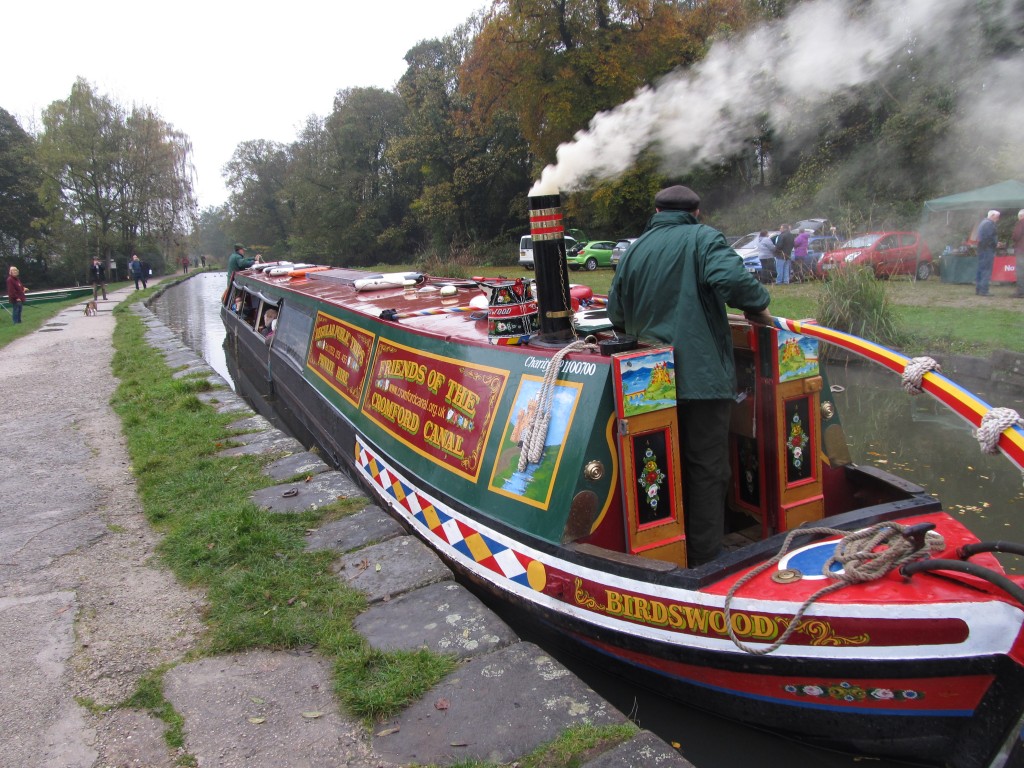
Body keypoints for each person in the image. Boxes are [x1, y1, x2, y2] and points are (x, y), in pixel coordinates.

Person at [607, 184, 772, 566]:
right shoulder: (703, 238)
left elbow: (616, 315)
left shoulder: (634, 249)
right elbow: (731, 281)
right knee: (706, 469)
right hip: (700, 380)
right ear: (697, 212)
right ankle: (705, 560)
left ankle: (663, 554)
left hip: (645, 384)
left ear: (656, 211)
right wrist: (758, 306)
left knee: (659, 467)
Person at [975, 210, 1000, 296]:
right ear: (992, 215)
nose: (998, 219)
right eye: (997, 217)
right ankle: (984, 290)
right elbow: (989, 237)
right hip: (987, 249)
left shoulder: (983, 222)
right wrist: (996, 243)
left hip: (981, 249)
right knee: (986, 270)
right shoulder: (989, 224)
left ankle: (978, 289)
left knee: (980, 269)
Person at [1013, 209, 1024, 299]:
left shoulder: (1021, 223)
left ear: (1021, 216)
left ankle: (1020, 292)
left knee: (1020, 271)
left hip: (1021, 250)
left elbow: (1016, 236)